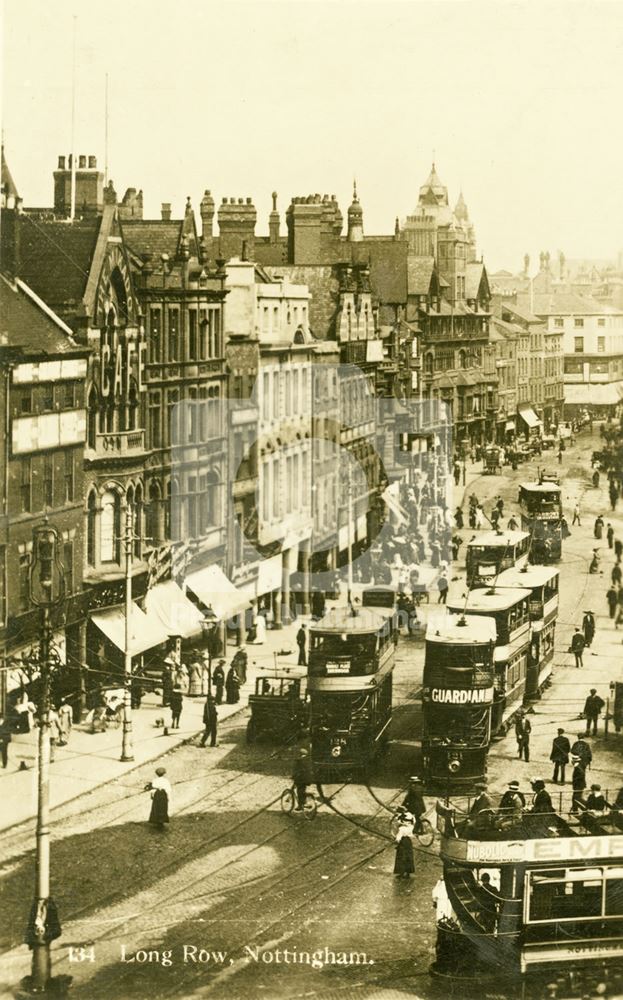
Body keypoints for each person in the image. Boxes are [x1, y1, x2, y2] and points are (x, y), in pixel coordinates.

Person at [393, 813, 415, 878]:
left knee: (401, 857)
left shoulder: (402, 828)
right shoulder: (411, 827)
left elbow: (398, 837)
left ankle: (401, 872)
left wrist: (396, 841)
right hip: (408, 842)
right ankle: (408, 872)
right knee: (408, 856)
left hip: (403, 842)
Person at [292, 747, 313, 811]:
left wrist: (293, 776)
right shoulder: (308, 760)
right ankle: (304, 802)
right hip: (307, 778)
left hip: (300, 778)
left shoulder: (299, 760)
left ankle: (301, 805)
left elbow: (296, 770)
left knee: (299, 791)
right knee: (303, 790)